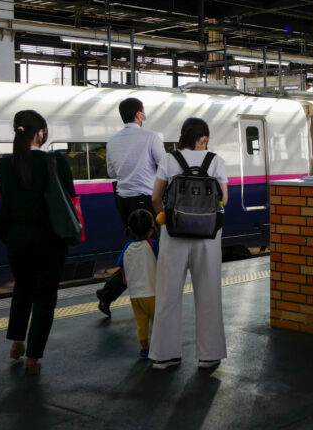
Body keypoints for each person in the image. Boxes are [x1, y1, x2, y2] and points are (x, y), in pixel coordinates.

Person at [0, 110, 75, 375]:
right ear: (41, 133)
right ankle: (34, 358)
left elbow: (5, 200)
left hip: (16, 239)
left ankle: (17, 341)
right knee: (45, 297)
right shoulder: (56, 161)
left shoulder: (5, 165)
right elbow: (69, 196)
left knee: (23, 288)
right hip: (49, 239)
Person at [148, 117, 228, 371]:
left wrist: (170, 220)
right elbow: (223, 200)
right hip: (208, 237)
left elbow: (155, 198)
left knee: (168, 295)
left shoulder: (169, 160)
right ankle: (209, 355)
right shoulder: (215, 161)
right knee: (209, 294)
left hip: (174, 236)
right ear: (203, 138)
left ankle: (164, 355)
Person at [96, 97, 167, 316]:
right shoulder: (150, 137)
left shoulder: (113, 140)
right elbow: (164, 166)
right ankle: (116, 294)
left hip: (123, 201)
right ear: (139, 115)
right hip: (145, 201)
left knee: (137, 251)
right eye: (143, 112)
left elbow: (111, 173)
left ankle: (108, 294)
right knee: (154, 251)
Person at [119, 209, 158, 358]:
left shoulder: (127, 247)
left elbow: (121, 264)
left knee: (141, 323)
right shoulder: (153, 245)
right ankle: (158, 347)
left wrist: (125, 278)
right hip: (153, 294)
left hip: (135, 296)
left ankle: (144, 349)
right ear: (151, 230)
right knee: (158, 322)